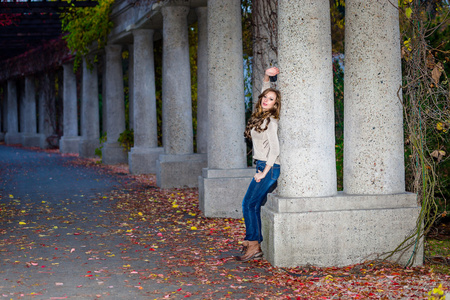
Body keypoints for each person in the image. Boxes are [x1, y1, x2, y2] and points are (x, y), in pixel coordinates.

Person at [235, 67, 281, 262]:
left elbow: (276, 150)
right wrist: (266, 75)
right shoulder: (261, 116)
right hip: (262, 166)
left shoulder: (271, 120)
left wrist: (263, 173)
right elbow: (264, 90)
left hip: (269, 168)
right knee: (252, 205)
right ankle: (253, 244)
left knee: (248, 203)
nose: (266, 100)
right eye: (265, 97)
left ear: (275, 105)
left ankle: (253, 244)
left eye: (271, 99)